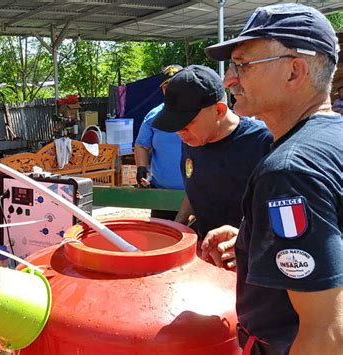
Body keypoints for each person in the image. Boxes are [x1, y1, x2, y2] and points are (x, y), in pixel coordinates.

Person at [202, 4, 342, 354]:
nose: (228, 79)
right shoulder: (333, 139)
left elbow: (326, 331)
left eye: (243, 65)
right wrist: (255, 239)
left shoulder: (290, 170)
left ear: (295, 71)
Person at [152, 65, 272, 239]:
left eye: (186, 124)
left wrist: (244, 239)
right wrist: (179, 224)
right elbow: (196, 186)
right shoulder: (193, 139)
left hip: (248, 255)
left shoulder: (264, 143)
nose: (180, 133)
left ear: (219, 110)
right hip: (206, 248)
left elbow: (282, 215)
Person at [134, 64, 184, 220]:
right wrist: (141, 167)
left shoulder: (203, 112)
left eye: (177, 85)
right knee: (162, 237)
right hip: (162, 193)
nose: (171, 91)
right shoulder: (154, 116)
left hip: (198, 192)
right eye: (167, 86)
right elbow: (142, 145)